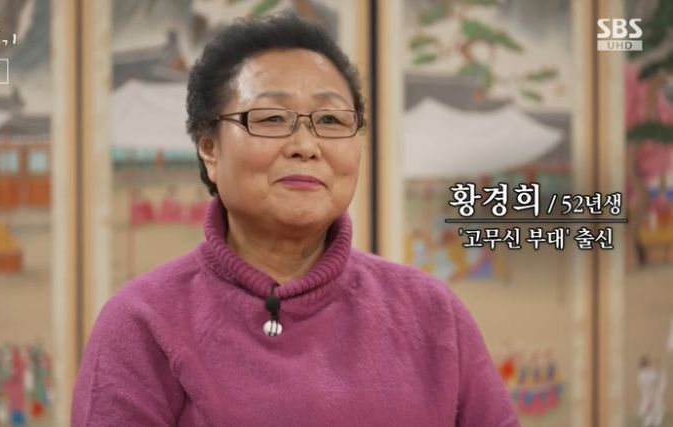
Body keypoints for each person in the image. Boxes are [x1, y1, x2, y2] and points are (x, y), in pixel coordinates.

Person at [72, 13, 518, 427]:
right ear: (209, 149)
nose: (305, 145)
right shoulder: (142, 322)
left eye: (330, 119)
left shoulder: (433, 313)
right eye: (271, 118)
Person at [638, 355, 667, 427]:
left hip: (656, 392)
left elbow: (662, 381)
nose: (651, 363)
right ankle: (648, 420)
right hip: (647, 392)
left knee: (657, 405)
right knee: (648, 405)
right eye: (648, 362)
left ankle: (657, 420)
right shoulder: (643, 373)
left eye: (650, 362)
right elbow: (642, 383)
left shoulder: (657, 371)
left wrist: (659, 388)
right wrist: (649, 388)